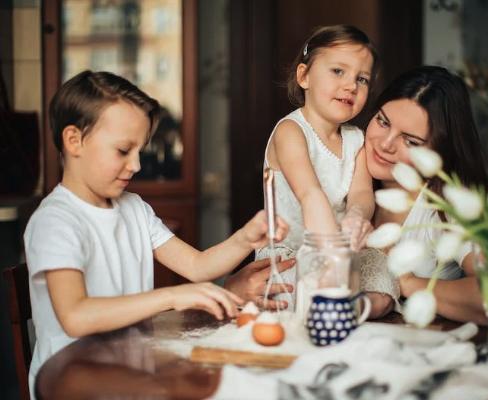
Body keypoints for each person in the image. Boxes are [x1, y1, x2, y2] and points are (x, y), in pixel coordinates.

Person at [23, 70, 288, 394]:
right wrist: (171, 297)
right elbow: (76, 316)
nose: (136, 164)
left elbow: (197, 266)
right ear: (74, 140)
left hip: (130, 372)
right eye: (123, 150)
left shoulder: (133, 208)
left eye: (140, 151)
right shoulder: (57, 221)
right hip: (74, 384)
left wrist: (245, 237)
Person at [255, 25, 378, 307]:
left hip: (339, 249)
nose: (351, 85)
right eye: (338, 71)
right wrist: (334, 258)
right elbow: (310, 195)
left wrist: (356, 216)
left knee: (380, 266)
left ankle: (357, 306)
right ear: (304, 76)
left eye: (362, 79)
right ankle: (340, 304)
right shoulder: (291, 131)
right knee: (302, 287)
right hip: (291, 251)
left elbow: (362, 194)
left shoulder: (356, 140)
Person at [359, 65, 488, 324]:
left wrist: (406, 282)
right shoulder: (347, 173)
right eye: (383, 122)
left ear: (438, 152)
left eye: (411, 142)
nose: (385, 144)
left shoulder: (447, 205)